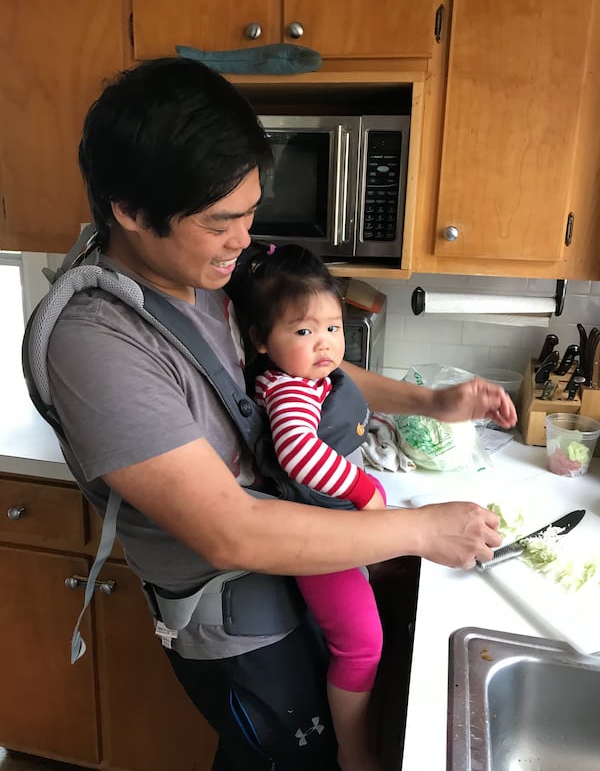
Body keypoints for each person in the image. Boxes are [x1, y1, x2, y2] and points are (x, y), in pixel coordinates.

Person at [42, 57, 516, 771]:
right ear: (131, 212)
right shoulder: (98, 344)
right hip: (238, 627)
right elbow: (230, 533)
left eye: (250, 212)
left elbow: (299, 359)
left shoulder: (202, 276)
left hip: (294, 571)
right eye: (221, 221)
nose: (243, 239)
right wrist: (420, 530)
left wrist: (431, 403)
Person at [246, 243, 386, 771]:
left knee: (359, 638)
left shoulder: (308, 379)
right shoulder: (289, 394)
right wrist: (365, 491)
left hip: (336, 531)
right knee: (361, 644)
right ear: (262, 340)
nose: (325, 343)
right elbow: (301, 455)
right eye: (304, 331)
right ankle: (355, 752)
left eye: (332, 327)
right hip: (319, 539)